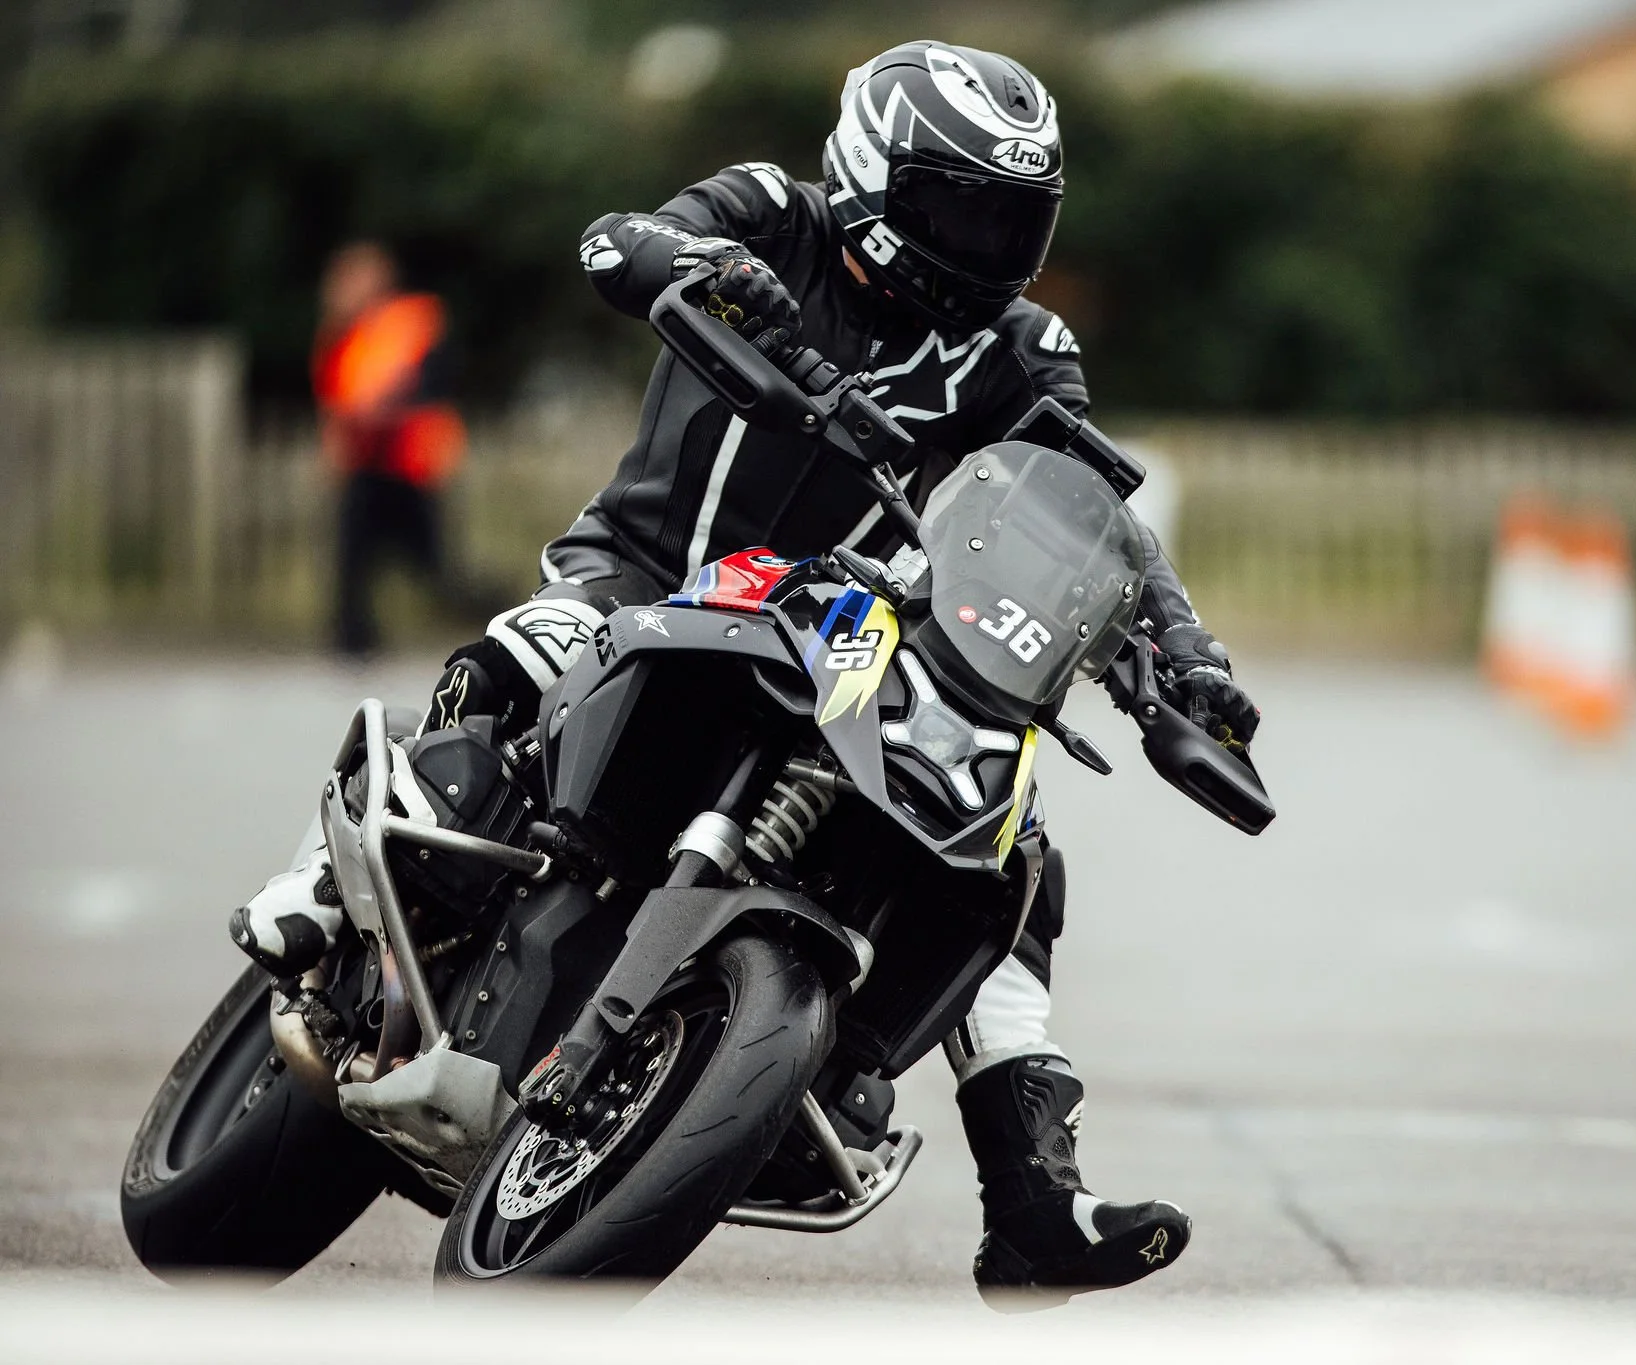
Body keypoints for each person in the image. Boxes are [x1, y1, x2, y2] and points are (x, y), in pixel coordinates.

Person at [231, 41, 1259, 1304]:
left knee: (1009, 850)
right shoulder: (774, 213)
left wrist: (1183, 657)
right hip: (647, 568)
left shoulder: (1021, 345)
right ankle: (317, 896)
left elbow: (1091, 506)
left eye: (1013, 219)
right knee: (517, 659)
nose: (984, 243)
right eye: (958, 207)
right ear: (875, 176)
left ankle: (1031, 1200)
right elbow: (618, 240)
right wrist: (710, 272)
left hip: (848, 626)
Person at [312, 241, 468, 656]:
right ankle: (353, 641)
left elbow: (419, 388)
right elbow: (336, 402)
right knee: (352, 559)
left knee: (436, 569)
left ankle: (507, 612)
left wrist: (371, 416)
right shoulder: (346, 335)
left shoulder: (409, 322)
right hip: (368, 465)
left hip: (407, 465)